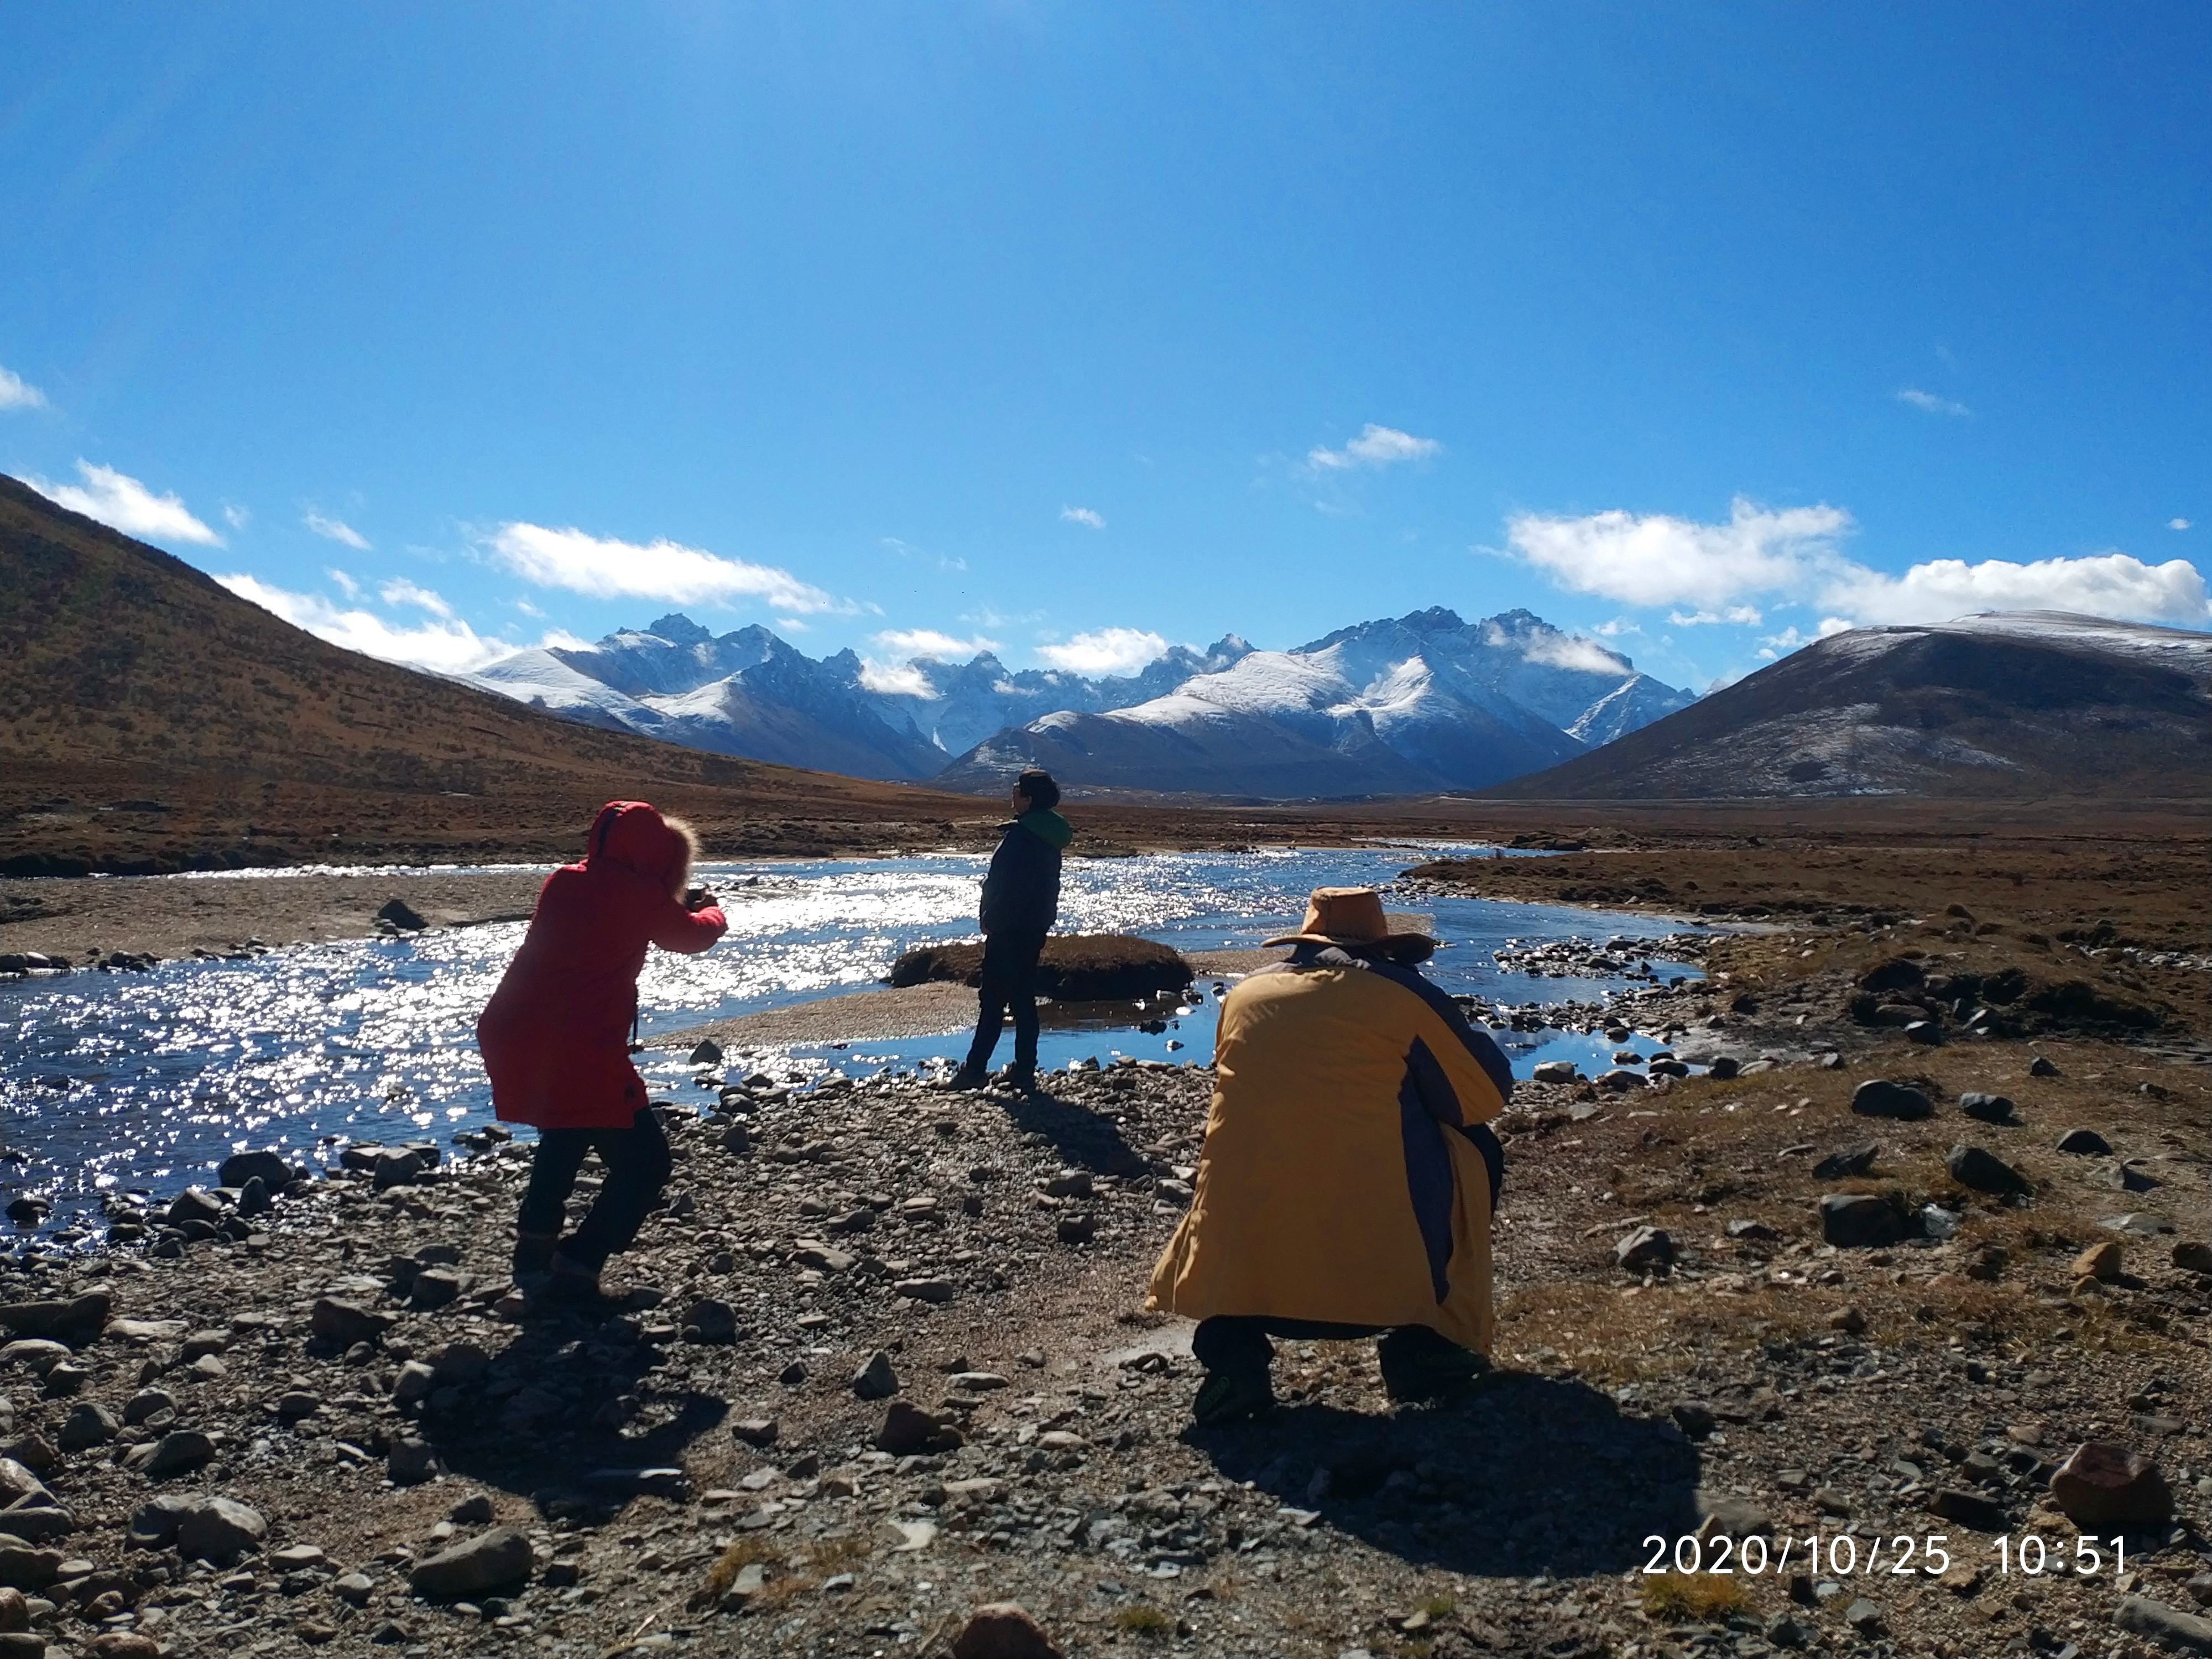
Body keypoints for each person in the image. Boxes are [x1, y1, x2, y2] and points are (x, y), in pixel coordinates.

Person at [1146, 886, 1511, 1423]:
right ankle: (1425, 1347)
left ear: (1304, 940)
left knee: (1243, 1147)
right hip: (1381, 1291)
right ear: (1382, 945)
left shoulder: (1245, 995)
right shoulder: (1404, 996)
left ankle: (1234, 1362)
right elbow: (1481, 1097)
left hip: (1242, 1285)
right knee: (1477, 1147)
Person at [476, 800, 727, 1305]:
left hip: (518, 1030)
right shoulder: (639, 895)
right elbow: (694, 936)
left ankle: (534, 1252)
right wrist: (714, 908)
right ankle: (579, 1263)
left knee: (566, 1129)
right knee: (647, 1164)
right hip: (582, 1048)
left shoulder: (564, 881)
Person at [949, 768, 1071, 1093]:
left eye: (1017, 789)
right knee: (1023, 998)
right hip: (1034, 926)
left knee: (992, 999)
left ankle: (974, 1070)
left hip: (1010, 929)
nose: (1012, 794)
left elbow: (1011, 887)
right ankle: (1024, 1070)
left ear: (1028, 799)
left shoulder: (1022, 837)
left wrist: (991, 917)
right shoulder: (1048, 835)